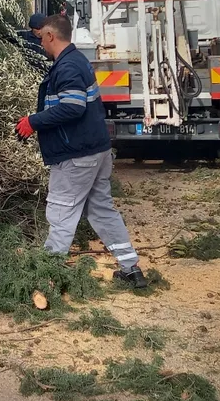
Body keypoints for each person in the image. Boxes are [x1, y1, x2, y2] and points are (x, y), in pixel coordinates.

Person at [15, 15, 149, 288]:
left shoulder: (67, 67)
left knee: (61, 213)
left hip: (75, 154)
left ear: (52, 36)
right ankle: (131, 268)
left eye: (42, 38)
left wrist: (33, 121)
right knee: (102, 211)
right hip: (95, 151)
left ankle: (48, 277)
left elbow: (73, 107)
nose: (40, 44)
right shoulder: (77, 62)